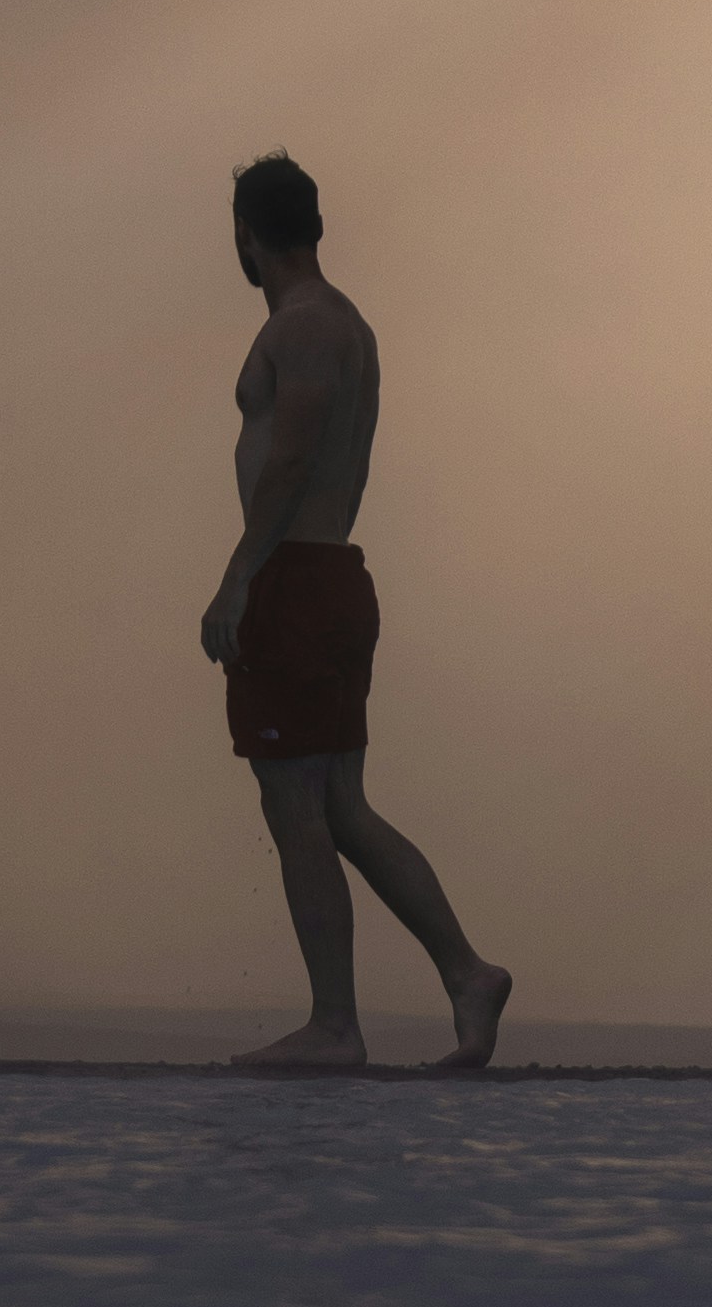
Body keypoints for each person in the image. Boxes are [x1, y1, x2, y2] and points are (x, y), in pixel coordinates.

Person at [200, 152, 514, 1075]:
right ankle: (467, 971)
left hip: (297, 577)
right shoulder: (352, 326)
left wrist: (238, 579)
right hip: (334, 573)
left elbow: (291, 460)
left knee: (295, 806)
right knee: (339, 804)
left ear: (246, 237)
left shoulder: (303, 328)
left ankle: (335, 1024)